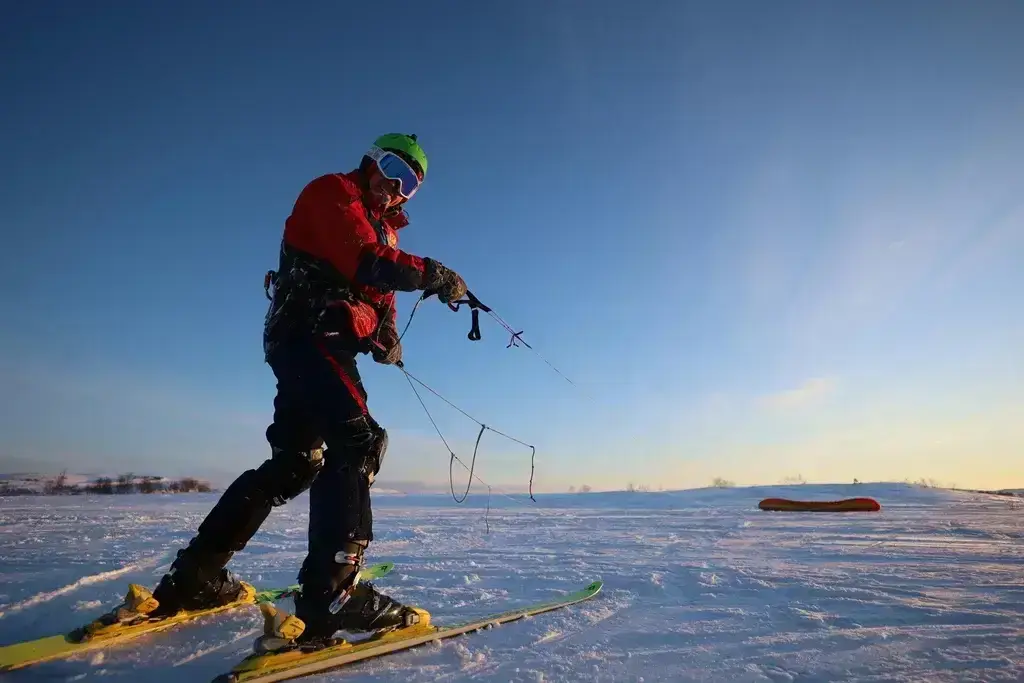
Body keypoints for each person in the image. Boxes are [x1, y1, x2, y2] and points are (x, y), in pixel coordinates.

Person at [149, 133, 468, 643]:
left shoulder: (386, 233)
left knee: (298, 463)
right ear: (370, 161)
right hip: (310, 333)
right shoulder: (332, 193)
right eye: (391, 169)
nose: (394, 186)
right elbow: (363, 261)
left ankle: (196, 578)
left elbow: (376, 288)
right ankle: (331, 597)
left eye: (408, 183)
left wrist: (386, 337)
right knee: (359, 441)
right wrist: (431, 274)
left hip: (319, 344)